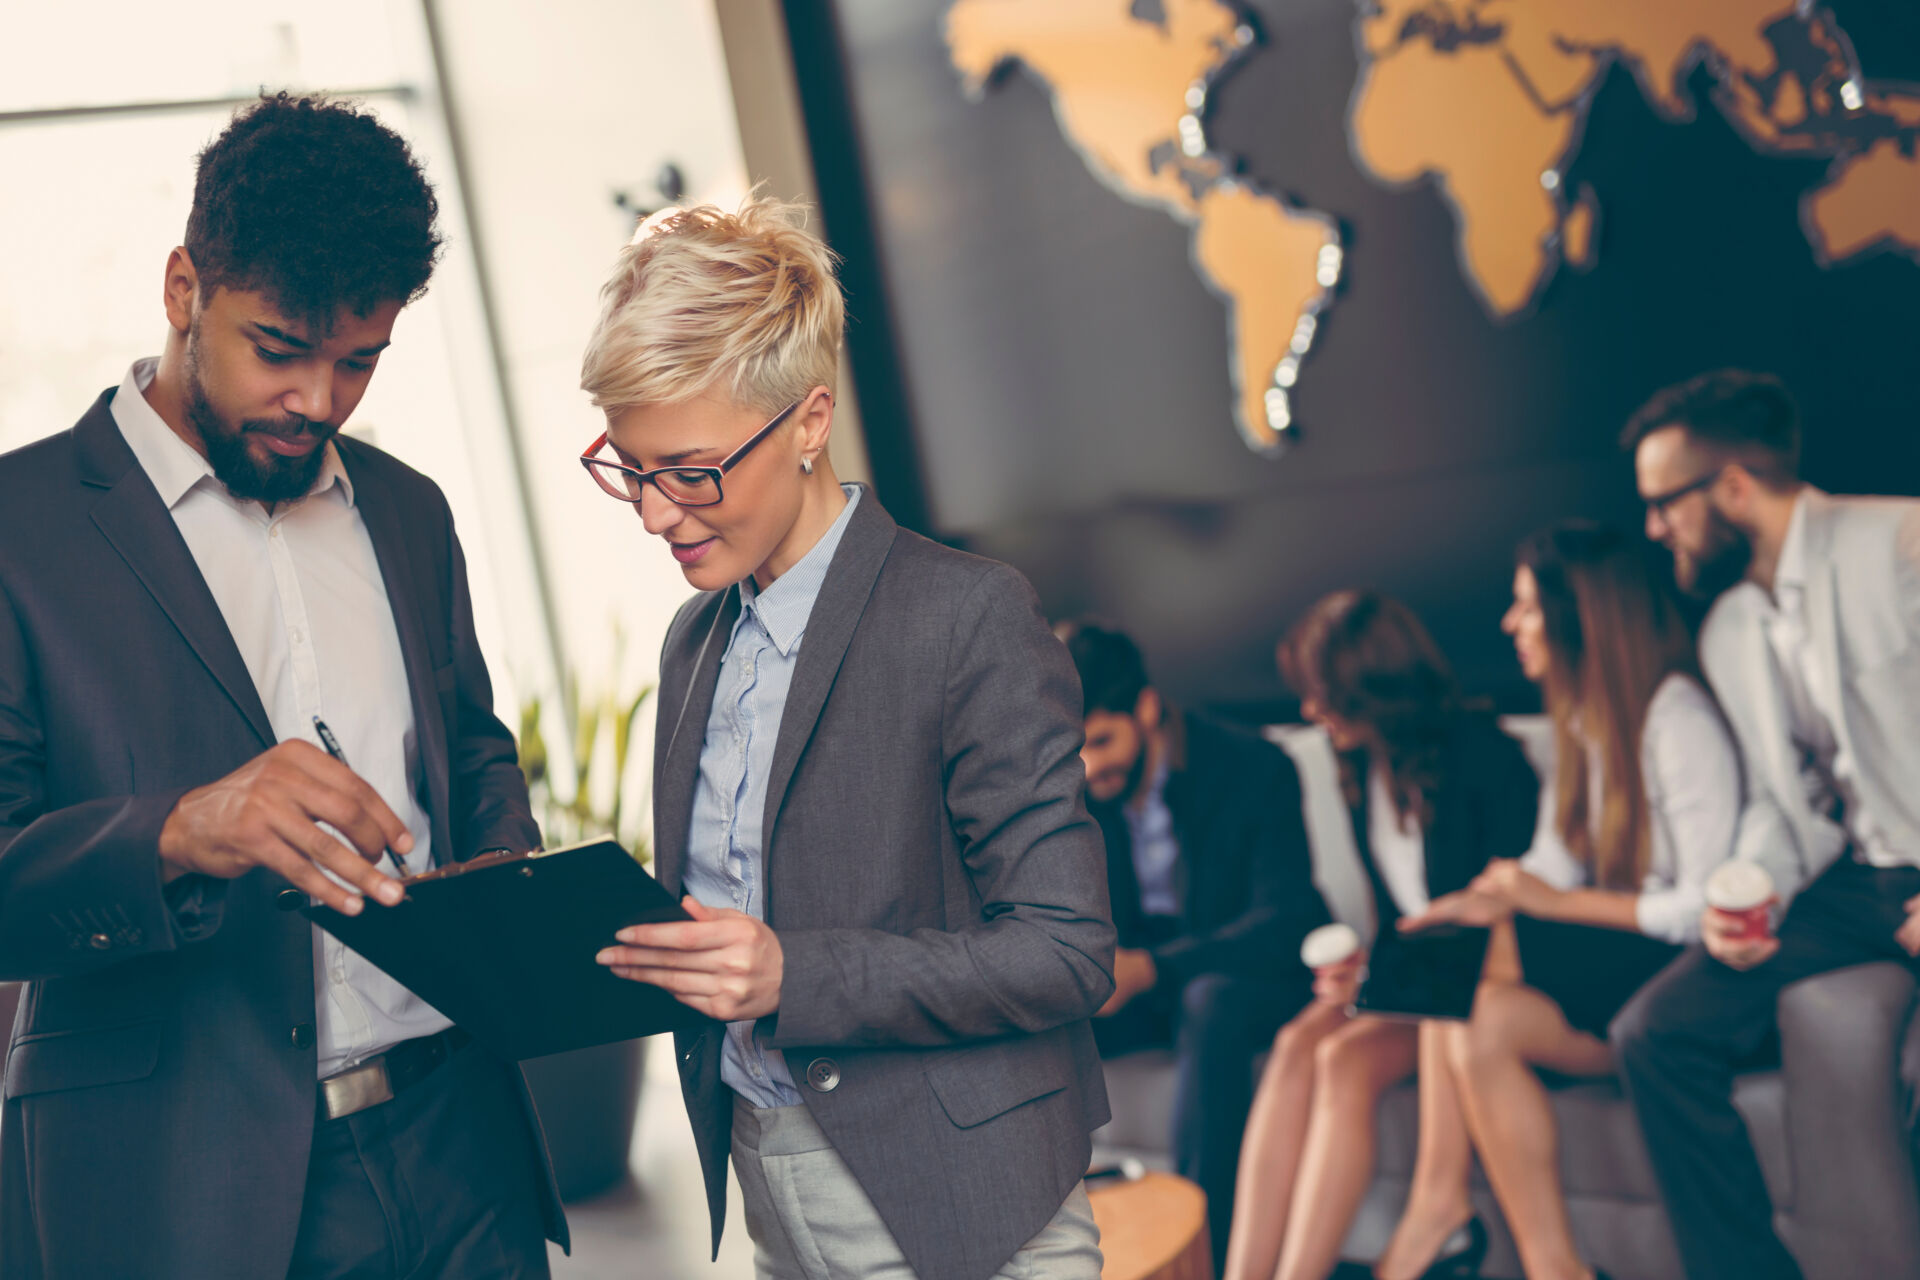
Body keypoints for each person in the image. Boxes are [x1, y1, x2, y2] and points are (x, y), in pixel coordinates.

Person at [0, 94, 563, 1279]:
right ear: (183, 289)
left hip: (463, 1143)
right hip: (192, 1187)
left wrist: (500, 871)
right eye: (280, 349)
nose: (319, 400)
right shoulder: (20, 532)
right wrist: (182, 827)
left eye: (359, 361)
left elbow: (471, 747)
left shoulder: (409, 508)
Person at [578, 198, 1114, 1280]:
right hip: (772, 1190)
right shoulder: (694, 639)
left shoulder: (967, 616)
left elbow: (1066, 947)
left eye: (691, 470)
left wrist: (792, 972)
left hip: (969, 1209)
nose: (654, 515)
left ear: (810, 422)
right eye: (632, 470)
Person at [1610, 369, 1920, 1280]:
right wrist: (1745, 895)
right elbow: (1791, 810)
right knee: (1653, 1035)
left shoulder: (1901, 544)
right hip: (1864, 880)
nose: (1653, 527)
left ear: (1735, 487)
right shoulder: (1731, 629)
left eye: (1665, 503)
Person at [1376, 523, 1739, 1280]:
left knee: (1462, 966)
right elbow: (1551, 859)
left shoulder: (1677, 719)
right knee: (1469, 1016)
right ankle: (1555, 1268)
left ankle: (1436, 1210)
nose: (1511, 625)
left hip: (1682, 964)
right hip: (1609, 955)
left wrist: (1547, 905)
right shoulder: (1582, 720)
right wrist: (1476, 900)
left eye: (1527, 608)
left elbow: (1701, 906)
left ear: (1582, 618)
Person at [1223, 591, 1537, 1280]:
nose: (1309, 712)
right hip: (1423, 978)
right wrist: (1366, 966)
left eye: (1322, 695)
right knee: (1299, 1037)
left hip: (1486, 984)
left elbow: (1506, 921)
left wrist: (1390, 970)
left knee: (1342, 1059)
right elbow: (1405, 919)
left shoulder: (1487, 759)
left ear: (1374, 689)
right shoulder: (1363, 767)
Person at [1056, 618, 1330, 1266]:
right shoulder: (1070, 786)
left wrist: (1152, 969)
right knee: (1031, 1019)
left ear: (1146, 709)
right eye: (1075, 747)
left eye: (1102, 740)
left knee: (1211, 1003)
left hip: (1249, 975)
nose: (1090, 765)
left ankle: (1203, 1251)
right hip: (1143, 982)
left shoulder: (1254, 766)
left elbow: (1284, 918)